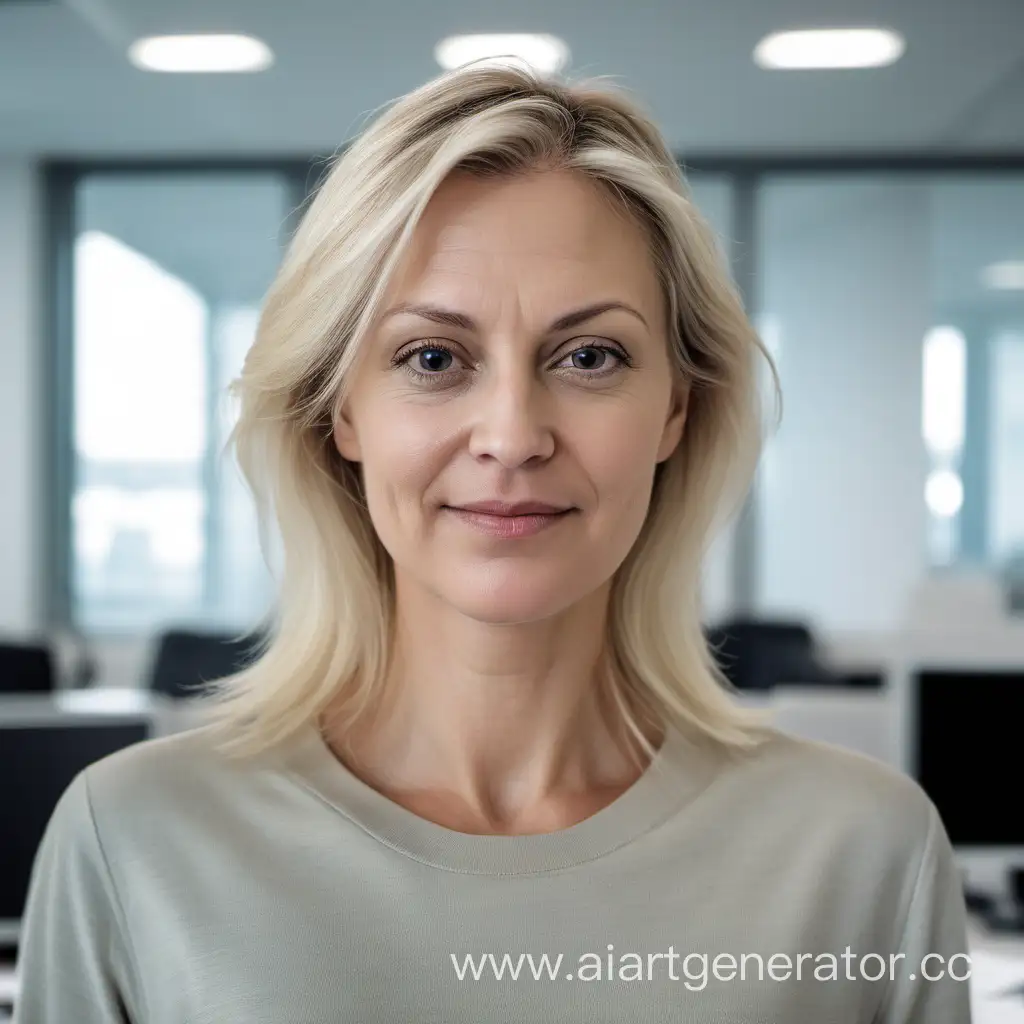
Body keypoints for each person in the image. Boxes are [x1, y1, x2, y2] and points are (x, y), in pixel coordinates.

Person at [14, 61, 970, 1023]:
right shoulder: (133, 841)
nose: (512, 435)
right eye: (433, 358)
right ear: (342, 411)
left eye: (589, 356)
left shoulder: (865, 854)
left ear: (677, 408)